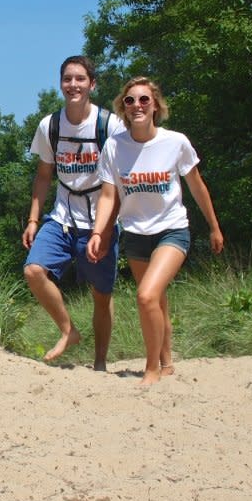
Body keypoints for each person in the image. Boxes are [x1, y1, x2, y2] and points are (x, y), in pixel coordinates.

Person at [87, 76, 223, 385]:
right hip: (135, 233)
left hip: (172, 230)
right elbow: (109, 195)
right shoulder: (114, 146)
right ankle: (167, 361)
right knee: (157, 300)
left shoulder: (175, 142)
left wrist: (214, 227)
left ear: (155, 106)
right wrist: (99, 233)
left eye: (144, 99)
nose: (137, 105)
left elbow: (198, 187)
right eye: (130, 100)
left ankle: (151, 370)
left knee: (146, 296)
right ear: (123, 107)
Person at [22, 55, 126, 369]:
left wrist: (105, 230)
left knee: (101, 294)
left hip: (100, 219)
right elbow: (43, 175)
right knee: (33, 271)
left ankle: (100, 363)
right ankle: (69, 331)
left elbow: (120, 182)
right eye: (67, 79)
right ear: (60, 84)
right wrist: (33, 219)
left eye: (80, 79)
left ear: (92, 84)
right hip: (62, 217)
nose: (73, 85)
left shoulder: (109, 125)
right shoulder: (50, 125)